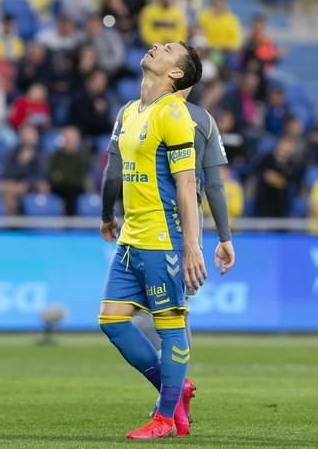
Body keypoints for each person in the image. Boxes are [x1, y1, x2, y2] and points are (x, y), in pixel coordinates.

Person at [99, 42, 205, 440]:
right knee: (111, 320)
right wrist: (109, 215)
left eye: (168, 49)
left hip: (163, 238)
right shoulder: (129, 111)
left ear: (176, 73)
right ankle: (176, 389)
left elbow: (187, 182)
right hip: (131, 236)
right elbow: (115, 170)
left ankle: (164, 417)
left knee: (169, 326)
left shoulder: (174, 114)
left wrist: (191, 245)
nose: (157, 46)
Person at [130, 86, 237, 435]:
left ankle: (173, 394)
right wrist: (223, 237)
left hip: (157, 225)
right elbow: (215, 185)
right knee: (171, 311)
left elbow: (119, 172)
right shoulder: (203, 120)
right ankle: (177, 392)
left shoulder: (145, 113)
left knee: (135, 314)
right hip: (183, 226)